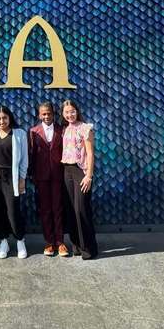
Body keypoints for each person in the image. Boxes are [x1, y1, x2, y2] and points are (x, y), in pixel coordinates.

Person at [0, 105, 28, 259]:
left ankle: (20, 240)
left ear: (10, 118)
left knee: (13, 211)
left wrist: (22, 178)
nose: (1, 121)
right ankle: (3, 241)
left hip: (11, 178)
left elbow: (24, 159)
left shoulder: (19, 134)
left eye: (4, 118)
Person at [28, 101, 69, 258]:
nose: (46, 116)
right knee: (45, 210)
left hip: (59, 176)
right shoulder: (33, 132)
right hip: (41, 177)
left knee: (58, 208)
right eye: (43, 114)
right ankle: (49, 242)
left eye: (49, 113)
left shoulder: (62, 130)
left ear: (53, 114)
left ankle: (60, 242)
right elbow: (32, 155)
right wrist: (32, 175)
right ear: (39, 115)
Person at [60, 99, 98, 260]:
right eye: (67, 112)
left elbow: (90, 153)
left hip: (81, 171)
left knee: (81, 209)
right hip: (66, 171)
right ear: (63, 114)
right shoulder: (65, 129)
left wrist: (89, 175)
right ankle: (76, 245)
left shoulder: (85, 128)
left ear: (77, 111)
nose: (70, 114)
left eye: (72, 111)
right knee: (70, 209)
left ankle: (89, 248)